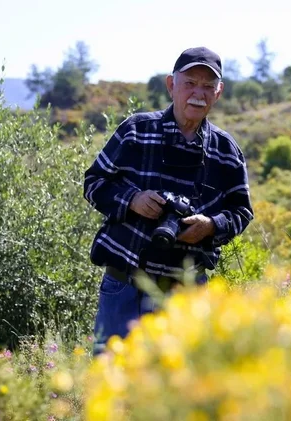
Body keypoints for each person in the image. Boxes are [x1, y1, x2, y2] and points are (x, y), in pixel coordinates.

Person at [82, 46, 254, 355]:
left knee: (169, 395)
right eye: (190, 82)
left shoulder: (227, 151)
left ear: (219, 93)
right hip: (125, 285)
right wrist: (131, 200)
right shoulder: (136, 131)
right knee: (112, 384)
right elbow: (94, 182)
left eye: (207, 86)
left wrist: (211, 225)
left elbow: (242, 211)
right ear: (171, 84)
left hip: (185, 293)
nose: (197, 93)